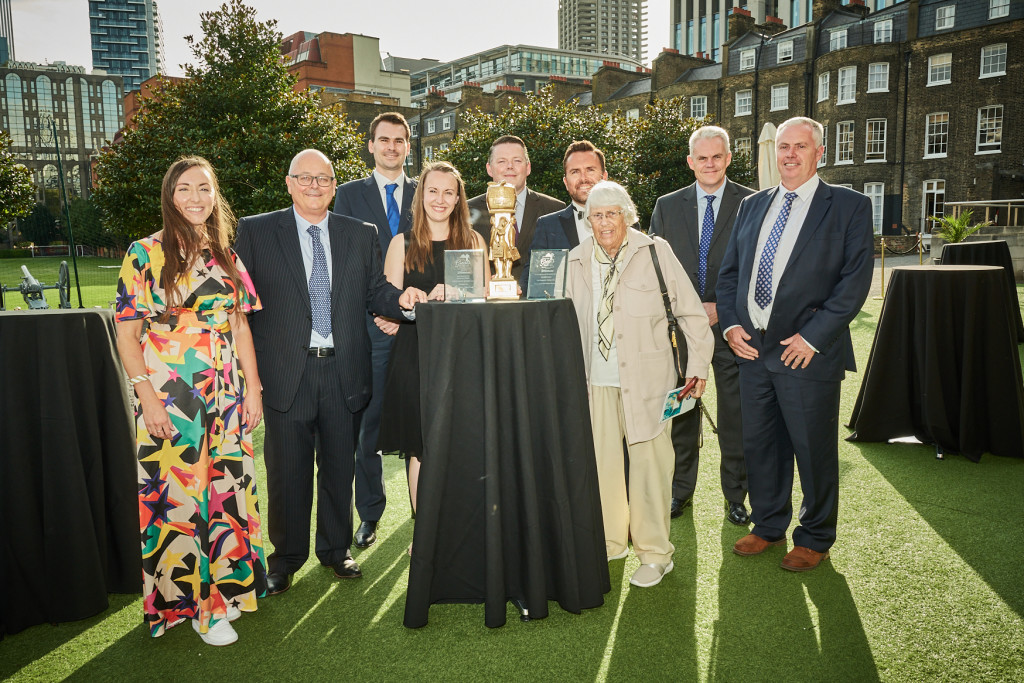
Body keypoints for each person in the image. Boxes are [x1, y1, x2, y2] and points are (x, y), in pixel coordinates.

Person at [233, 149, 427, 595]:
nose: (315, 186)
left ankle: (336, 550)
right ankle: (285, 559)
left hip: (344, 371)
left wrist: (403, 301)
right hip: (286, 375)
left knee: (341, 467)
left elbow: (376, 291)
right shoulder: (257, 231)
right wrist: (250, 378)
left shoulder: (360, 233)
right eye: (305, 178)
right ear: (289, 183)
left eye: (324, 179)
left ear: (335, 186)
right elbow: (238, 304)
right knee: (288, 472)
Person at [114, 156, 265, 647]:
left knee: (225, 491)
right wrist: (148, 399)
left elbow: (240, 326)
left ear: (214, 195)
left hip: (225, 392)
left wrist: (254, 389)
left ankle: (228, 592)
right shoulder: (145, 252)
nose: (195, 198)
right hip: (172, 394)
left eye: (204, 188)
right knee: (183, 499)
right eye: (184, 189)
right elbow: (126, 334)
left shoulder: (225, 254)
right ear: (170, 196)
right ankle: (198, 610)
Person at [716, 116, 873, 572]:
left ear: (818, 152)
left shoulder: (848, 206)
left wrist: (813, 337)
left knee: (813, 449)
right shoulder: (752, 205)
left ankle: (815, 536)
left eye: (799, 147)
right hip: (753, 352)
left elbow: (853, 284)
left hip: (806, 352)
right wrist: (730, 327)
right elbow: (730, 277)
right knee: (761, 445)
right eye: (783, 147)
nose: (789, 155)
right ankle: (768, 525)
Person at [565, 180, 714, 588]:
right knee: (603, 465)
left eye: (612, 213)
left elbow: (691, 314)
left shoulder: (655, 251)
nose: (604, 222)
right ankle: (612, 541)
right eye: (596, 215)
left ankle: (655, 554)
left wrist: (698, 367)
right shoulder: (574, 261)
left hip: (649, 380)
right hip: (595, 381)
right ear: (588, 219)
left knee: (651, 467)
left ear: (628, 216)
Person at [649, 125, 755, 526]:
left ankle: (737, 497)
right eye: (702, 157)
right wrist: (690, 311)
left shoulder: (752, 202)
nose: (710, 164)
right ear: (690, 162)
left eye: (717, 156)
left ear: (728, 158)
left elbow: (756, 268)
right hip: (680, 332)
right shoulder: (667, 205)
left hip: (732, 330)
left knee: (735, 418)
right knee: (682, 415)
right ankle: (679, 493)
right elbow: (659, 268)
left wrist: (721, 309)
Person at [378, 161, 487, 529]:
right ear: (420, 196)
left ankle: (460, 531)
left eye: (449, 192)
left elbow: (484, 305)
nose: (440, 199)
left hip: (464, 357)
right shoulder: (401, 243)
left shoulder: (474, 242)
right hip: (416, 357)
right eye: (433, 191)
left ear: (459, 199)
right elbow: (388, 304)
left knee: (463, 444)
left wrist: (460, 295)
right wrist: (403, 306)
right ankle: (425, 532)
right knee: (422, 447)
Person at [333, 112, 416, 550]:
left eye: (399, 140)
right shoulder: (346, 196)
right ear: (370, 145)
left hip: (420, 331)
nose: (391, 146)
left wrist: (404, 315)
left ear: (408, 146)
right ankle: (370, 513)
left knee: (419, 422)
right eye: (383, 139)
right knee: (367, 427)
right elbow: (347, 266)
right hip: (370, 328)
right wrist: (383, 312)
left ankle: (427, 509)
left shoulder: (429, 194)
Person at [467, 135, 564, 281]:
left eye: (517, 161)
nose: (510, 166)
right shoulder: (467, 210)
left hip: (536, 302)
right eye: (501, 161)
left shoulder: (554, 209)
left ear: (528, 167)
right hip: (487, 301)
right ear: (489, 169)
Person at [519, 140, 608, 290]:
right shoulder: (548, 226)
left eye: (590, 170)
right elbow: (532, 284)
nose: (583, 178)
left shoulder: (626, 221)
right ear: (566, 182)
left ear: (604, 177)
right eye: (575, 172)